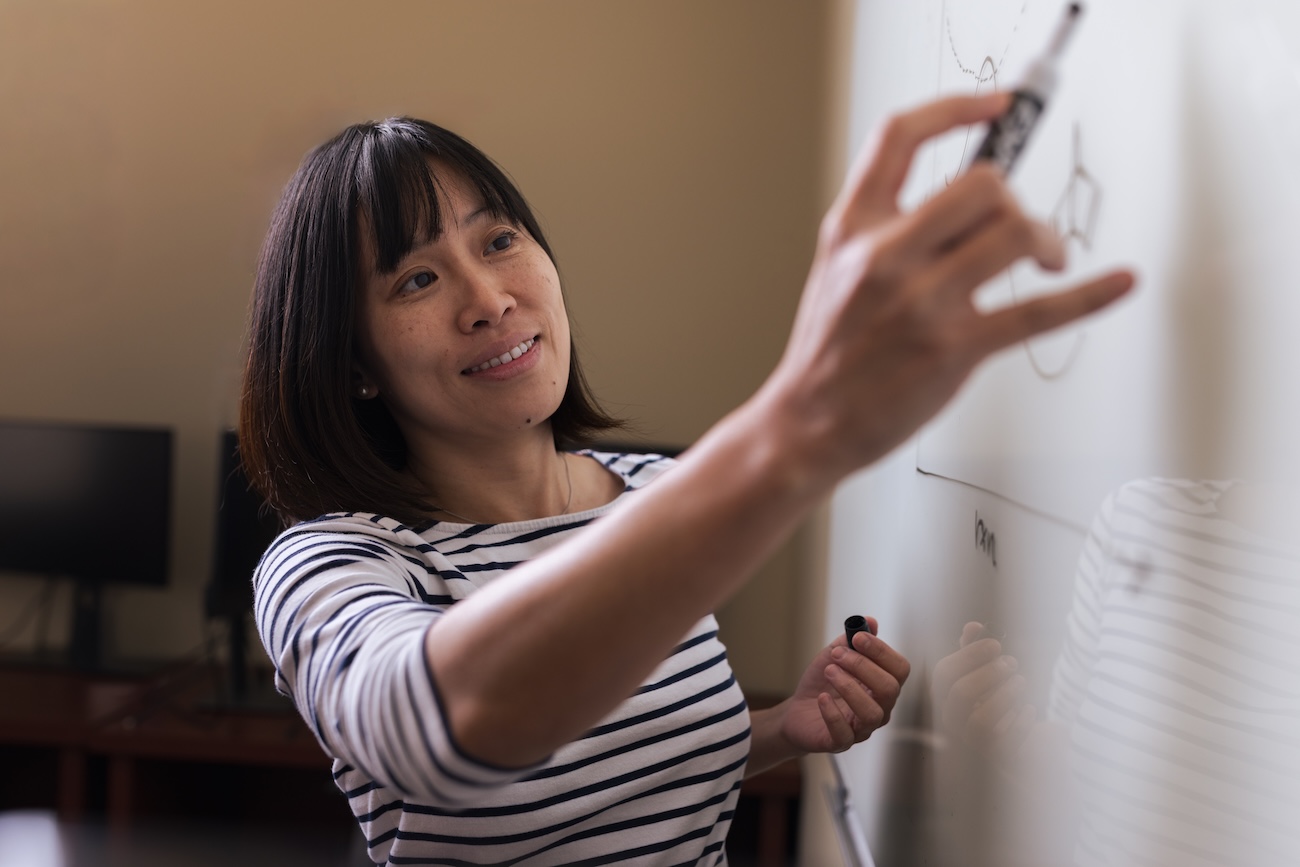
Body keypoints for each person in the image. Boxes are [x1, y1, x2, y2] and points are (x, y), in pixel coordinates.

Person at [240, 92, 1132, 865]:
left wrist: (782, 727)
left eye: (500, 238)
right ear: (353, 362)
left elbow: (611, 768)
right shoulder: (328, 563)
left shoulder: (652, 492)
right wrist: (797, 425)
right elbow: (440, 728)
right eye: (418, 279)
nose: (489, 299)